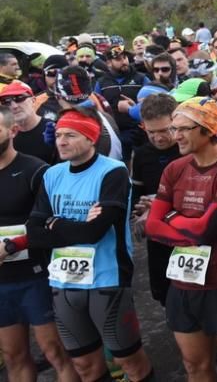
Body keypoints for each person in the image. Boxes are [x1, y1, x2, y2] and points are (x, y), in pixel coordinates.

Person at [26, 108, 154, 382]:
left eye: (71, 135)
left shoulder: (113, 171)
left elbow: (95, 232)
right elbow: (34, 233)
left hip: (106, 280)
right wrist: (74, 226)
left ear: (91, 139)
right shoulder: (53, 174)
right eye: (59, 135)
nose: (61, 141)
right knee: (85, 365)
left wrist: (56, 223)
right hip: (63, 282)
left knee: (129, 361)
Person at [144, 98, 217, 382]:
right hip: (183, 284)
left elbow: (205, 231)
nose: (176, 136)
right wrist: (184, 225)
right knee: (194, 366)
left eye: (185, 129)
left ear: (209, 131)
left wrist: (171, 217)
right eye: (174, 128)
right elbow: (151, 227)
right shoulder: (175, 168)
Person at [0, 108, 78, 382]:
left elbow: (54, 224)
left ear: (13, 131)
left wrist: (12, 244)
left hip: (37, 276)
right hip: (2, 281)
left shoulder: (34, 169)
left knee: (55, 352)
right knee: (12, 355)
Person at [130, 94, 183, 307]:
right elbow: (136, 195)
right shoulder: (142, 155)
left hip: (191, 240)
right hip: (159, 242)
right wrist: (139, 209)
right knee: (166, 299)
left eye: (165, 130)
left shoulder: (190, 149)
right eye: (151, 132)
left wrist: (164, 207)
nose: (159, 138)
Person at [0, 80, 56, 164]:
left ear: (33, 100)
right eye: (6, 102)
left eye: (20, 98)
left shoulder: (52, 129)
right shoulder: (5, 135)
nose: (14, 106)